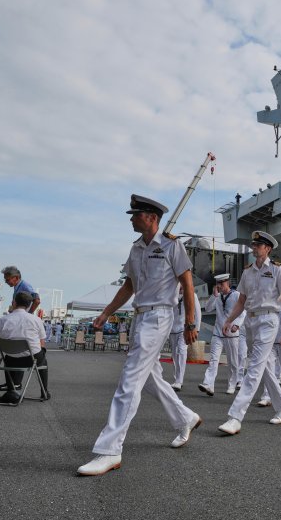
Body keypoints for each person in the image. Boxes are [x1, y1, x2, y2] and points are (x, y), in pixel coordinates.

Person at [77, 195, 202, 476]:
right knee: (149, 377)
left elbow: (187, 283)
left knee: (129, 380)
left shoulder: (172, 245)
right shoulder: (136, 248)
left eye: (136, 214)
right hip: (140, 316)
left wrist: (190, 322)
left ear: (152, 217)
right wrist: (106, 312)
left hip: (159, 315)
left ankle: (110, 450)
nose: (132, 219)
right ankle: (185, 417)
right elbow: (129, 286)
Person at [216, 230, 281, 435]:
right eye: (253, 245)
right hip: (250, 320)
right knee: (262, 366)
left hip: (269, 320)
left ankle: (235, 417)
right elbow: (241, 301)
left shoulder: (277, 270)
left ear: (267, 248)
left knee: (253, 367)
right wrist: (229, 320)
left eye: (257, 245)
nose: (253, 248)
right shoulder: (247, 272)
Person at [0, 292, 49, 403]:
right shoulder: (36, 320)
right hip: (31, 359)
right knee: (43, 360)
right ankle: (44, 392)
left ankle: (11, 391)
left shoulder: (2, 320)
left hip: (11, 360)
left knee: (8, 357)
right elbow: (42, 341)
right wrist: (42, 351)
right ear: (29, 305)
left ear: (14, 303)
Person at [199, 273, 245, 395]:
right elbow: (208, 308)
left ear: (228, 283)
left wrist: (237, 325)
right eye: (218, 284)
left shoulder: (236, 295)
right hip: (218, 333)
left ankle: (232, 384)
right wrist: (213, 296)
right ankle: (208, 384)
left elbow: (243, 311)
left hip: (231, 333)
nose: (220, 286)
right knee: (213, 359)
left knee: (232, 361)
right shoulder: (217, 297)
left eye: (222, 283)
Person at [169, 285, 201, 391]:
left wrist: (197, 329)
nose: (181, 288)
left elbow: (197, 312)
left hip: (185, 329)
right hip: (173, 329)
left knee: (181, 351)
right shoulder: (172, 295)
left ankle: (179, 381)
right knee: (174, 354)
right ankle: (176, 379)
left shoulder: (192, 295)